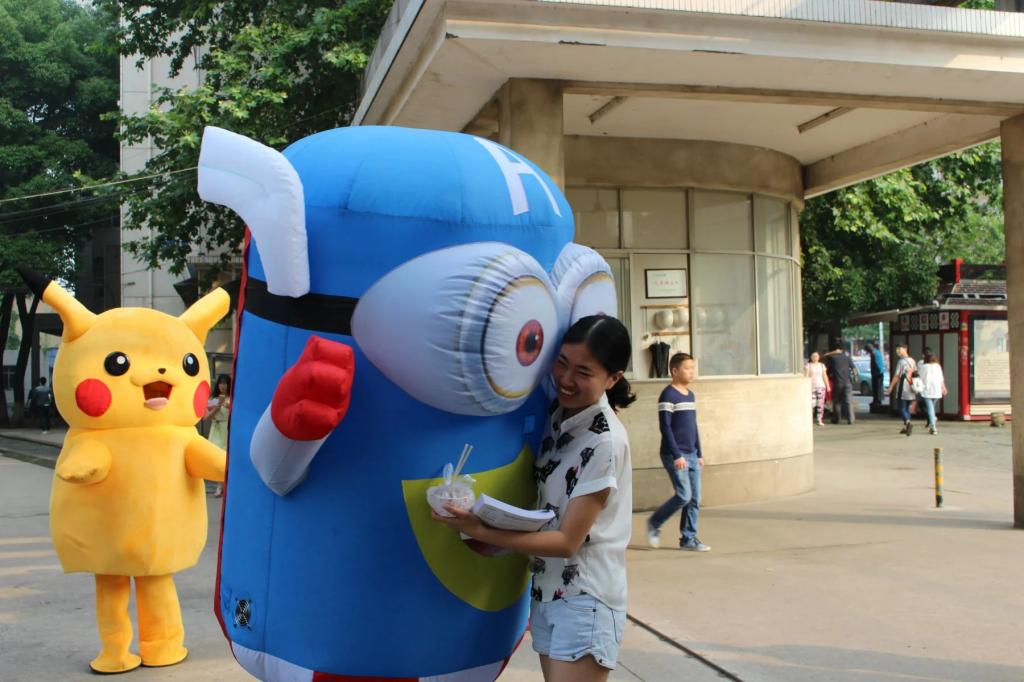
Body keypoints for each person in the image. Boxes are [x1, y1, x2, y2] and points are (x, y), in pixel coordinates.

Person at [432, 315, 634, 681]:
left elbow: (567, 541)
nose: (566, 379)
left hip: (585, 600)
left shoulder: (605, 442)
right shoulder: (558, 418)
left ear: (613, 378)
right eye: (562, 363)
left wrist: (483, 530)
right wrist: (491, 538)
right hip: (547, 591)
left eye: (583, 372)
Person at [647, 352, 710, 551]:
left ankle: (688, 539)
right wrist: (677, 455)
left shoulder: (690, 395)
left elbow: (693, 426)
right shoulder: (668, 395)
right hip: (674, 454)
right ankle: (654, 522)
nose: (692, 372)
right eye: (687, 368)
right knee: (684, 496)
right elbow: (665, 427)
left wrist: (699, 453)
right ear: (675, 371)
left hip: (692, 453)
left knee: (695, 499)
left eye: (693, 368)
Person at [205, 374, 232, 497]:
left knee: (227, 458)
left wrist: (227, 405)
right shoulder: (213, 399)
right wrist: (218, 406)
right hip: (216, 429)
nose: (223, 386)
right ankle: (219, 486)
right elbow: (206, 417)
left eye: (225, 383)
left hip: (227, 429)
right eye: (221, 383)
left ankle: (226, 486)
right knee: (217, 457)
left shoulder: (232, 398)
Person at [887, 344, 917, 436]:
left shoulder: (901, 362)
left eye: (899, 349)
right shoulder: (912, 360)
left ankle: (908, 423)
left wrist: (891, 387)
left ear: (905, 349)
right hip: (911, 386)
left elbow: (897, 376)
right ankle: (906, 427)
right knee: (906, 407)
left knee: (901, 408)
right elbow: (914, 373)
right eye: (897, 350)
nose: (897, 351)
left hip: (903, 387)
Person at [825, 341, 855, 425]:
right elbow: (854, 369)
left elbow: (825, 356)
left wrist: (833, 352)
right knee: (848, 401)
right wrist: (855, 378)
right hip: (847, 382)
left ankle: (837, 419)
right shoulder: (847, 357)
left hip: (837, 382)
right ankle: (850, 419)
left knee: (837, 401)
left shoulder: (832, 358)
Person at [917, 352, 947, 435]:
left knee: (930, 408)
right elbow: (941, 378)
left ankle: (933, 427)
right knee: (932, 407)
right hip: (937, 389)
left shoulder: (924, 367)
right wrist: (943, 387)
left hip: (927, 389)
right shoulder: (938, 366)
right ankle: (932, 421)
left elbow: (920, 378)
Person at [804, 351, 830, 427]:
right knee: (811, 404)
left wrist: (827, 385)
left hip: (821, 386)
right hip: (811, 387)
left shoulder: (822, 365)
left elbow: (824, 375)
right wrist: (806, 386)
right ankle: (809, 419)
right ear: (811, 357)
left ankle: (819, 420)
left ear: (818, 357)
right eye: (813, 356)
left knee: (820, 404)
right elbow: (806, 376)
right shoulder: (808, 365)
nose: (814, 357)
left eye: (816, 356)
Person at [866, 342, 886, 409]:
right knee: (877, 388)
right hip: (878, 373)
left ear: (869, 349)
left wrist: (879, 371)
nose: (867, 352)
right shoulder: (877, 352)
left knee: (877, 388)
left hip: (877, 374)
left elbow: (877, 363)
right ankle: (876, 400)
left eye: (867, 350)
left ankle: (877, 401)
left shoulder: (874, 354)